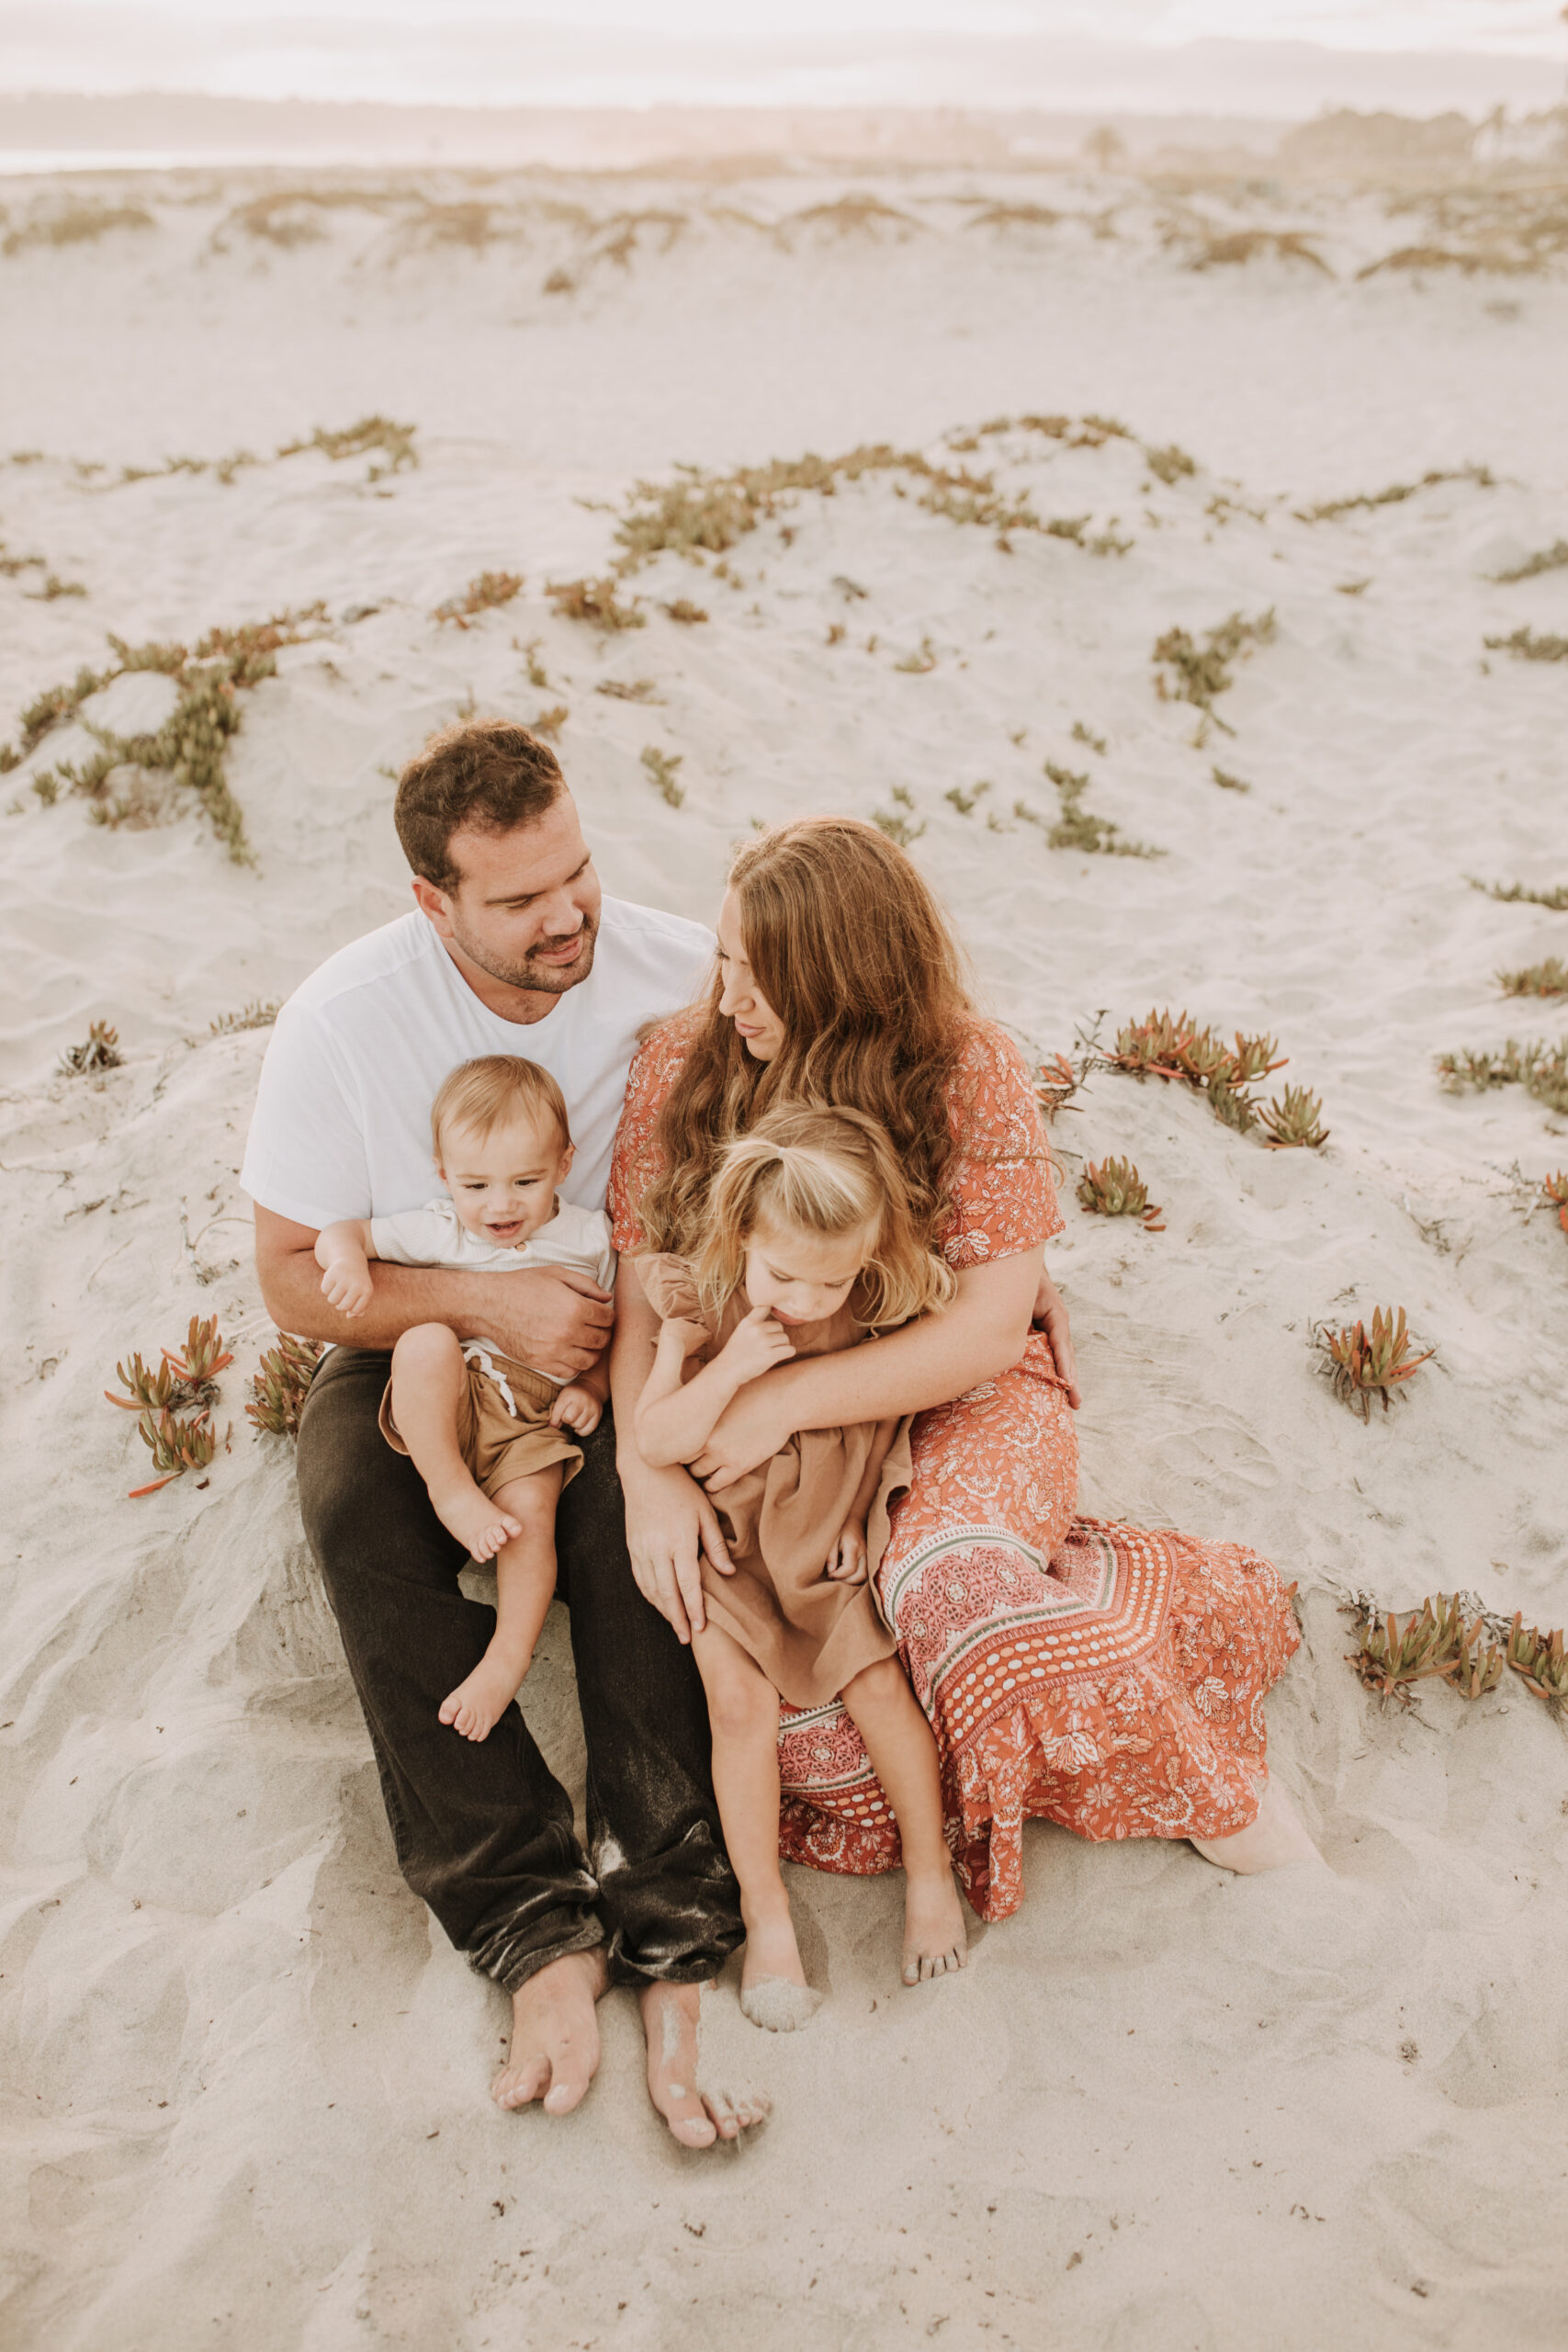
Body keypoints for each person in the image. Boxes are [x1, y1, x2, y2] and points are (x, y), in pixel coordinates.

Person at [608, 817, 1317, 1923]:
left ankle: (1215, 1790)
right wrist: (646, 1476)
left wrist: (789, 1396)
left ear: (842, 980)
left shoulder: (967, 1065)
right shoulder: (679, 1063)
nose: (731, 996)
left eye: (763, 973)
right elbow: (638, 1307)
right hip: (768, 1458)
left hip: (948, 1394)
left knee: (948, 1586)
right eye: (724, 959)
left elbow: (986, 1331)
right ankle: (1093, 1603)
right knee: (812, 1731)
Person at [243, 717, 766, 2150]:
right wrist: (481, 1304)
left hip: (612, 1334)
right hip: (420, 1330)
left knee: (618, 1522)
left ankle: (668, 1907)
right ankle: (528, 1922)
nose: (568, 916)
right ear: (433, 902)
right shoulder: (343, 1020)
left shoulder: (669, 970)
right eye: (519, 899)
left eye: (577, 873)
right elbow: (289, 1276)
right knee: (354, 1500)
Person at [632, 1104, 968, 2030]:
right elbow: (657, 1437)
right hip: (730, 1552)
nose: (808, 1300)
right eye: (784, 1274)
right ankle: (765, 1910)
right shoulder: (700, 1301)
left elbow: (888, 1414)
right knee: (737, 1708)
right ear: (743, 1230)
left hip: (819, 1539)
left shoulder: (862, 1308)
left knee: (876, 1684)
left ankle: (930, 1874)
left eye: (833, 1278)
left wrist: (868, 1509)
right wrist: (731, 1361)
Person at [314, 1054, 615, 1742]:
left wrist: (591, 1388)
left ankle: (504, 1661)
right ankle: (449, 1489)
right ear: (444, 1174)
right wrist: (349, 1264)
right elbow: (342, 1233)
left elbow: (612, 1326)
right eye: (475, 1184)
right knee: (423, 1341)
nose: (499, 1205)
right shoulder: (438, 1226)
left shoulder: (588, 1238)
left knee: (531, 1516)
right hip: (450, 1398)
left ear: (564, 1166)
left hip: (528, 1417)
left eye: (525, 1181)